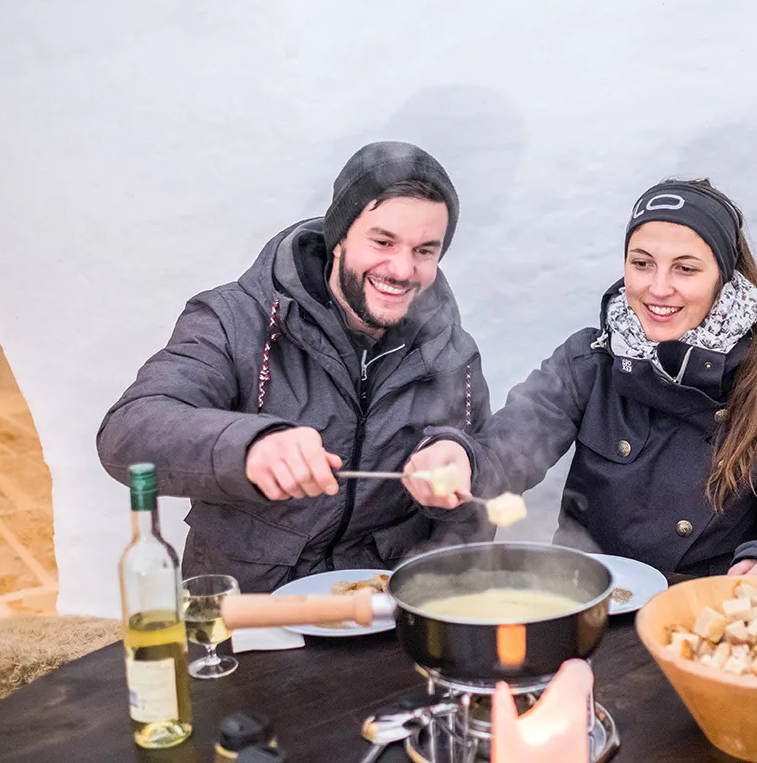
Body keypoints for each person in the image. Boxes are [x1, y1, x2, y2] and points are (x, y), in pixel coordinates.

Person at [404, 178, 757, 583]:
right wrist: (459, 456)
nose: (658, 288)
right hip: (583, 602)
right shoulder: (590, 362)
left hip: (702, 625)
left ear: (725, 278)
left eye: (686, 268)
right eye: (642, 264)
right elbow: (506, 451)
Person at [98, 142, 491, 592]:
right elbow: (126, 434)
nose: (402, 269)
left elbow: (479, 496)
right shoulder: (234, 319)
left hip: (383, 614)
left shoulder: (455, 356)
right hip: (248, 609)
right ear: (339, 236)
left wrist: (463, 470)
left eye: (425, 250)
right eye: (383, 242)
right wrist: (250, 446)